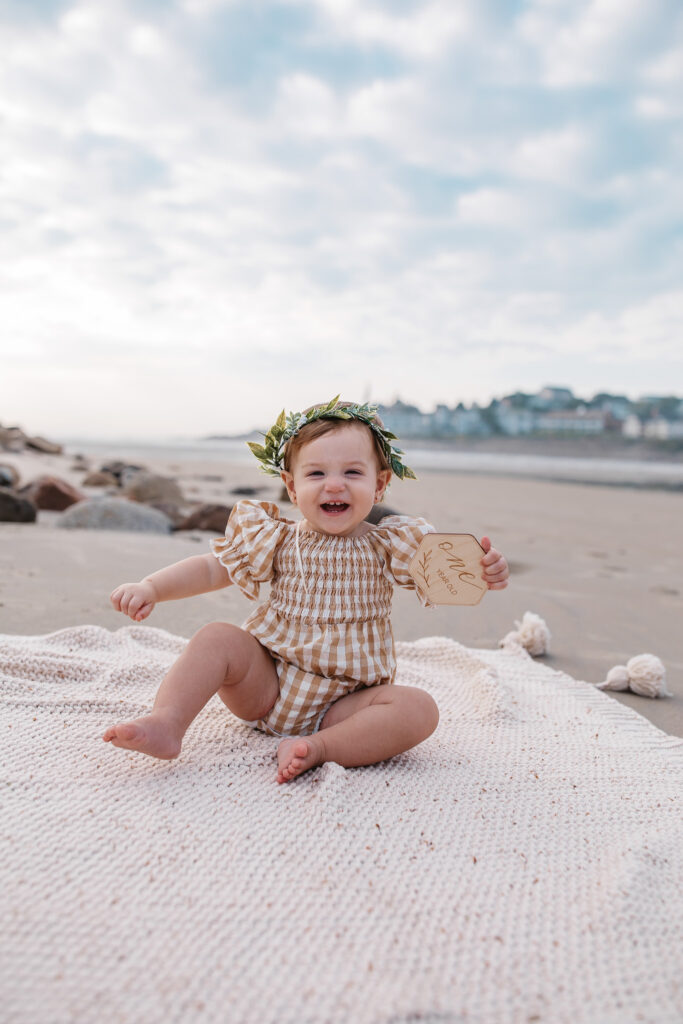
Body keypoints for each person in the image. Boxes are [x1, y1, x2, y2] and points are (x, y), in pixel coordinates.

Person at [103, 398, 509, 783]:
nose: (334, 486)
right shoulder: (275, 538)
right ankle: (167, 722)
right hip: (266, 686)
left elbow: (446, 572)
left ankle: (316, 747)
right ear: (291, 487)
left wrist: (485, 569)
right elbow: (212, 568)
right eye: (316, 474)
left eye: (352, 473)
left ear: (380, 484)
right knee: (217, 638)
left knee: (419, 709)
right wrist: (152, 586)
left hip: (345, 705)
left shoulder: (389, 543)